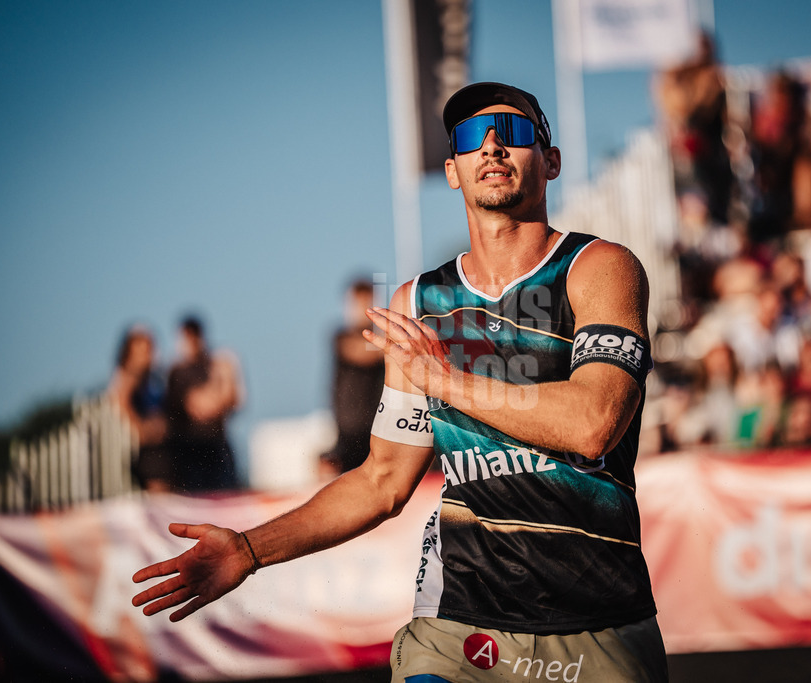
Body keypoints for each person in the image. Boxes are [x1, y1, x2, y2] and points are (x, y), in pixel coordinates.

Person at [132, 83, 667, 682]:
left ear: (552, 160)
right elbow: (383, 480)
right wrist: (249, 551)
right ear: (452, 171)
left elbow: (593, 423)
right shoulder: (418, 304)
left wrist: (443, 378)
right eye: (470, 138)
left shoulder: (598, 267)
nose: (491, 145)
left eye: (513, 131)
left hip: (598, 619)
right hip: (461, 619)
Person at [164, 315, 244, 492]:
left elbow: (235, 400)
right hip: (188, 451)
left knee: (223, 500)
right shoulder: (175, 372)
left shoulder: (219, 363)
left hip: (216, 446)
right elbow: (177, 410)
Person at [320, 278, 386, 475]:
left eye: (367, 302)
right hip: (349, 432)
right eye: (358, 303)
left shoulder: (381, 338)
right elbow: (363, 353)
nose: (362, 308)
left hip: (377, 427)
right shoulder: (341, 336)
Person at [107, 324, 170, 491]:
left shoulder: (153, 377)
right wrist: (143, 429)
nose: (147, 354)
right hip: (142, 454)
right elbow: (121, 403)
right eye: (142, 350)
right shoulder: (128, 376)